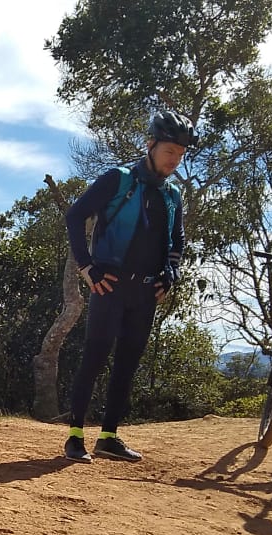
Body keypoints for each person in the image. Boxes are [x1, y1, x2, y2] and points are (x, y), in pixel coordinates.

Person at [62, 110, 195, 463]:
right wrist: (87, 267)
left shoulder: (173, 195)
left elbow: (177, 239)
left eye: (180, 155)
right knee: (94, 358)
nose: (174, 160)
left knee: (127, 364)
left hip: (146, 292)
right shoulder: (119, 179)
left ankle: (109, 437)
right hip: (110, 286)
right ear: (150, 145)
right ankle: (74, 436)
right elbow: (75, 216)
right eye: (169, 151)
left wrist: (172, 272)